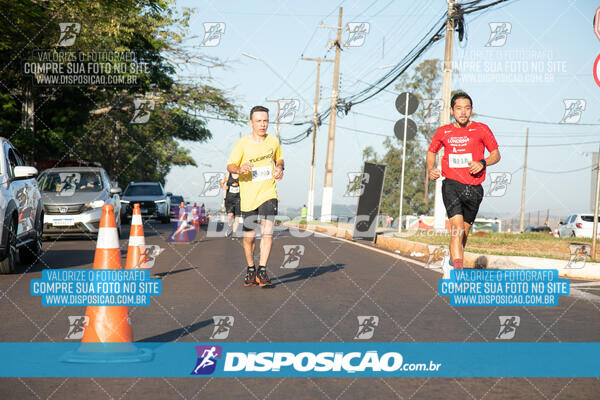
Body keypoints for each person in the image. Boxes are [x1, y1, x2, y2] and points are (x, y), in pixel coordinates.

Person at [427, 92, 500, 279]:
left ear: (472, 110)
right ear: (452, 111)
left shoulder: (482, 129)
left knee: (464, 233)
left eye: (467, 108)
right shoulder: (444, 131)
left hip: (475, 188)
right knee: (457, 229)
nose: (463, 112)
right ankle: (457, 274)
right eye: (459, 108)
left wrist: (483, 162)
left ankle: (450, 262)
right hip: (451, 185)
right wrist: (430, 169)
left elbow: (496, 154)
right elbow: (431, 151)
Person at [227, 105, 284, 287]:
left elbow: (279, 159)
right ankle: (251, 268)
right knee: (249, 238)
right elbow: (230, 165)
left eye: (265, 121)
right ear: (251, 123)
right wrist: (239, 168)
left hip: (268, 192)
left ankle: (263, 270)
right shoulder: (242, 143)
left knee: (268, 232)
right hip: (249, 195)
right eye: (258, 121)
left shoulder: (273, 141)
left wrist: (280, 167)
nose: (262, 124)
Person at [220, 171, 241, 238]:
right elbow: (221, 182)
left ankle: (234, 233)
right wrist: (223, 186)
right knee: (230, 215)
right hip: (229, 199)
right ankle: (229, 228)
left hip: (238, 199)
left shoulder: (241, 175)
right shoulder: (228, 174)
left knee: (237, 217)